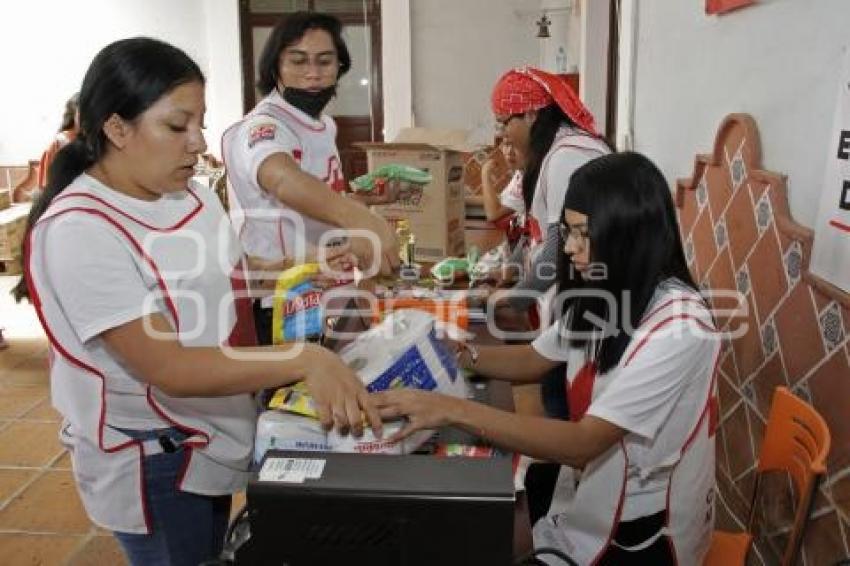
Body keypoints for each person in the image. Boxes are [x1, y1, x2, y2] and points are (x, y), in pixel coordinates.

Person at [13, 37, 381, 566]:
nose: (197, 142)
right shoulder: (81, 230)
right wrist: (305, 359)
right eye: (177, 125)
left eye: (201, 123)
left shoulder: (190, 194)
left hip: (212, 427)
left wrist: (302, 267)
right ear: (117, 128)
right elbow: (170, 367)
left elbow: (225, 271)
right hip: (155, 454)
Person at [373, 152, 720, 565]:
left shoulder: (681, 327)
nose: (569, 249)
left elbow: (583, 444)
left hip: (642, 532)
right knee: (490, 507)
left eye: (581, 234)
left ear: (625, 234)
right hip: (593, 491)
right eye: (567, 232)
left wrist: (451, 409)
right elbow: (537, 358)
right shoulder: (607, 288)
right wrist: (460, 355)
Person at [222, 11, 398, 343]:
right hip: (283, 294)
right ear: (276, 67)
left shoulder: (321, 124)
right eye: (299, 61)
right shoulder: (267, 125)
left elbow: (314, 198)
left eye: (325, 62)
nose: (313, 74)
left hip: (327, 282)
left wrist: (360, 199)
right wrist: (360, 217)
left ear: (340, 68)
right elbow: (281, 179)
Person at [29, 93, 81, 200]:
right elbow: (48, 186)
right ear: (73, 114)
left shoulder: (95, 143)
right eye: (84, 112)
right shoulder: (59, 143)